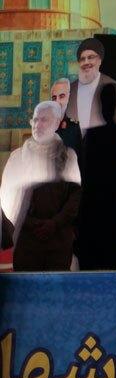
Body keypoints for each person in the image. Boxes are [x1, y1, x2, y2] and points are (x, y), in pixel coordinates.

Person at [1, 100, 82, 272]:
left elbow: (75, 197)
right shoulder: (16, 158)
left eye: (44, 120)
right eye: (35, 120)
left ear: (57, 123)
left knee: (56, 286)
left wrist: (54, 224)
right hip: (26, 240)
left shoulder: (69, 156)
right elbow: (7, 198)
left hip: (59, 241)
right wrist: (32, 224)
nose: (37, 125)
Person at [64, 38, 116, 269]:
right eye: (82, 58)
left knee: (98, 215)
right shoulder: (71, 89)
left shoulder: (110, 85)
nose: (86, 62)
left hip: (101, 166)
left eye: (91, 57)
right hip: (74, 162)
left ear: (100, 60)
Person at [50, 77, 82, 157]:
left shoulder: (78, 125)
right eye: (54, 98)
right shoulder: (47, 124)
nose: (57, 102)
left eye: (61, 96)